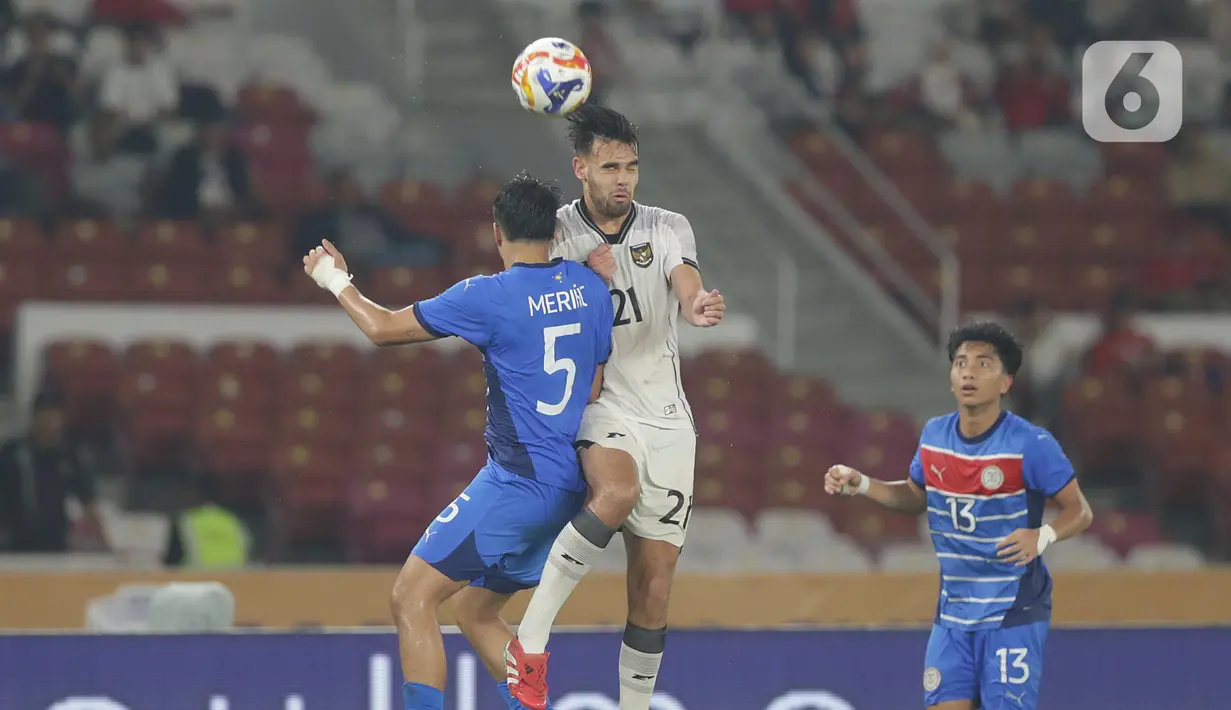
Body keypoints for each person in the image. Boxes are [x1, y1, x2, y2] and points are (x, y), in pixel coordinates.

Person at [303, 173, 613, 710]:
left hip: (517, 483)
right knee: (475, 611)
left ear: (497, 232)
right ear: (554, 230)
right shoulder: (590, 288)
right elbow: (594, 385)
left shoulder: (488, 295)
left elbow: (381, 329)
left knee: (411, 598)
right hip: (567, 490)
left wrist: (335, 280)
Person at [507, 104, 726, 710]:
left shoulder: (666, 225)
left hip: (668, 418)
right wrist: (580, 276)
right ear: (581, 169)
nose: (623, 179)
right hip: (599, 402)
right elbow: (526, 298)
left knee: (653, 589)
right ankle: (530, 640)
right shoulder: (557, 232)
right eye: (609, 168)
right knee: (617, 493)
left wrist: (696, 303)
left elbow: (684, 279)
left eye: (631, 166)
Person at [824, 321, 1094, 710]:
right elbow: (918, 495)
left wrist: (1044, 536)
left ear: (1006, 382)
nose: (968, 371)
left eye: (984, 364)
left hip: (1013, 612)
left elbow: (1080, 511)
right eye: (961, 363)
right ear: (951, 378)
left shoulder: (1030, 444)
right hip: (953, 614)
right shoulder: (934, 435)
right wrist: (863, 484)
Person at [0, 390, 105, 553]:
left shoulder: (69, 455)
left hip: (56, 545)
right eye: (45, 418)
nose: (50, 424)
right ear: (33, 418)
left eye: (55, 418)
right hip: (14, 545)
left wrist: (105, 547)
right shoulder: (12, 453)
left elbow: (88, 504)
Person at [163, 474, 251, 569]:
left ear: (194, 494)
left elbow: (173, 560)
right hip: (235, 578)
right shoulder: (232, 520)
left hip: (198, 578)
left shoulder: (187, 520)